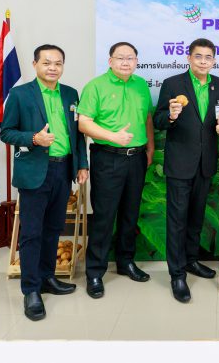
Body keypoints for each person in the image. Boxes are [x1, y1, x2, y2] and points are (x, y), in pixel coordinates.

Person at [0, 44, 88, 321]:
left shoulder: (71, 94)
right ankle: (31, 290)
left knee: (53, 228)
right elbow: (6, 132)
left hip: (63, 169)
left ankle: (48, 277)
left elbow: (77, 133)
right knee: (31, 233)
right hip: (35, 171)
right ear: (35, 64)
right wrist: (33, 139)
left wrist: (82, 164)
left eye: (58, 63)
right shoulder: (20, 94)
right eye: (47, 62)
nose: (53, 68)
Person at [153, 38, 219, 303]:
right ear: (189, 58)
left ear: (214, 60)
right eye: (198, 56)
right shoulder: (173, 84)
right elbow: (159, 120)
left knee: (197, 216)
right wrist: (171, 115)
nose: (203, 62)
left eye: (208, 57)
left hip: (205, 162)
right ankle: (177, 274)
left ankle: (191, 260)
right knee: (177, 220)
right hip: (180, 163)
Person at [77, 42, 155, 299]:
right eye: (120, 58)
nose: (125, 62)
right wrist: (113, 136)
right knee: (104, 215)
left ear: (136, 61)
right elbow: (84, 123)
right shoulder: (95, 86)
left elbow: (147, 118)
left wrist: (150, 147)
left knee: (130, 213)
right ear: (110, 61)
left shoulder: (141, 85)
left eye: (130, 58)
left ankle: (125, 262)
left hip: (137, 158)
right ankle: (95, 273)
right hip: (107, 158)